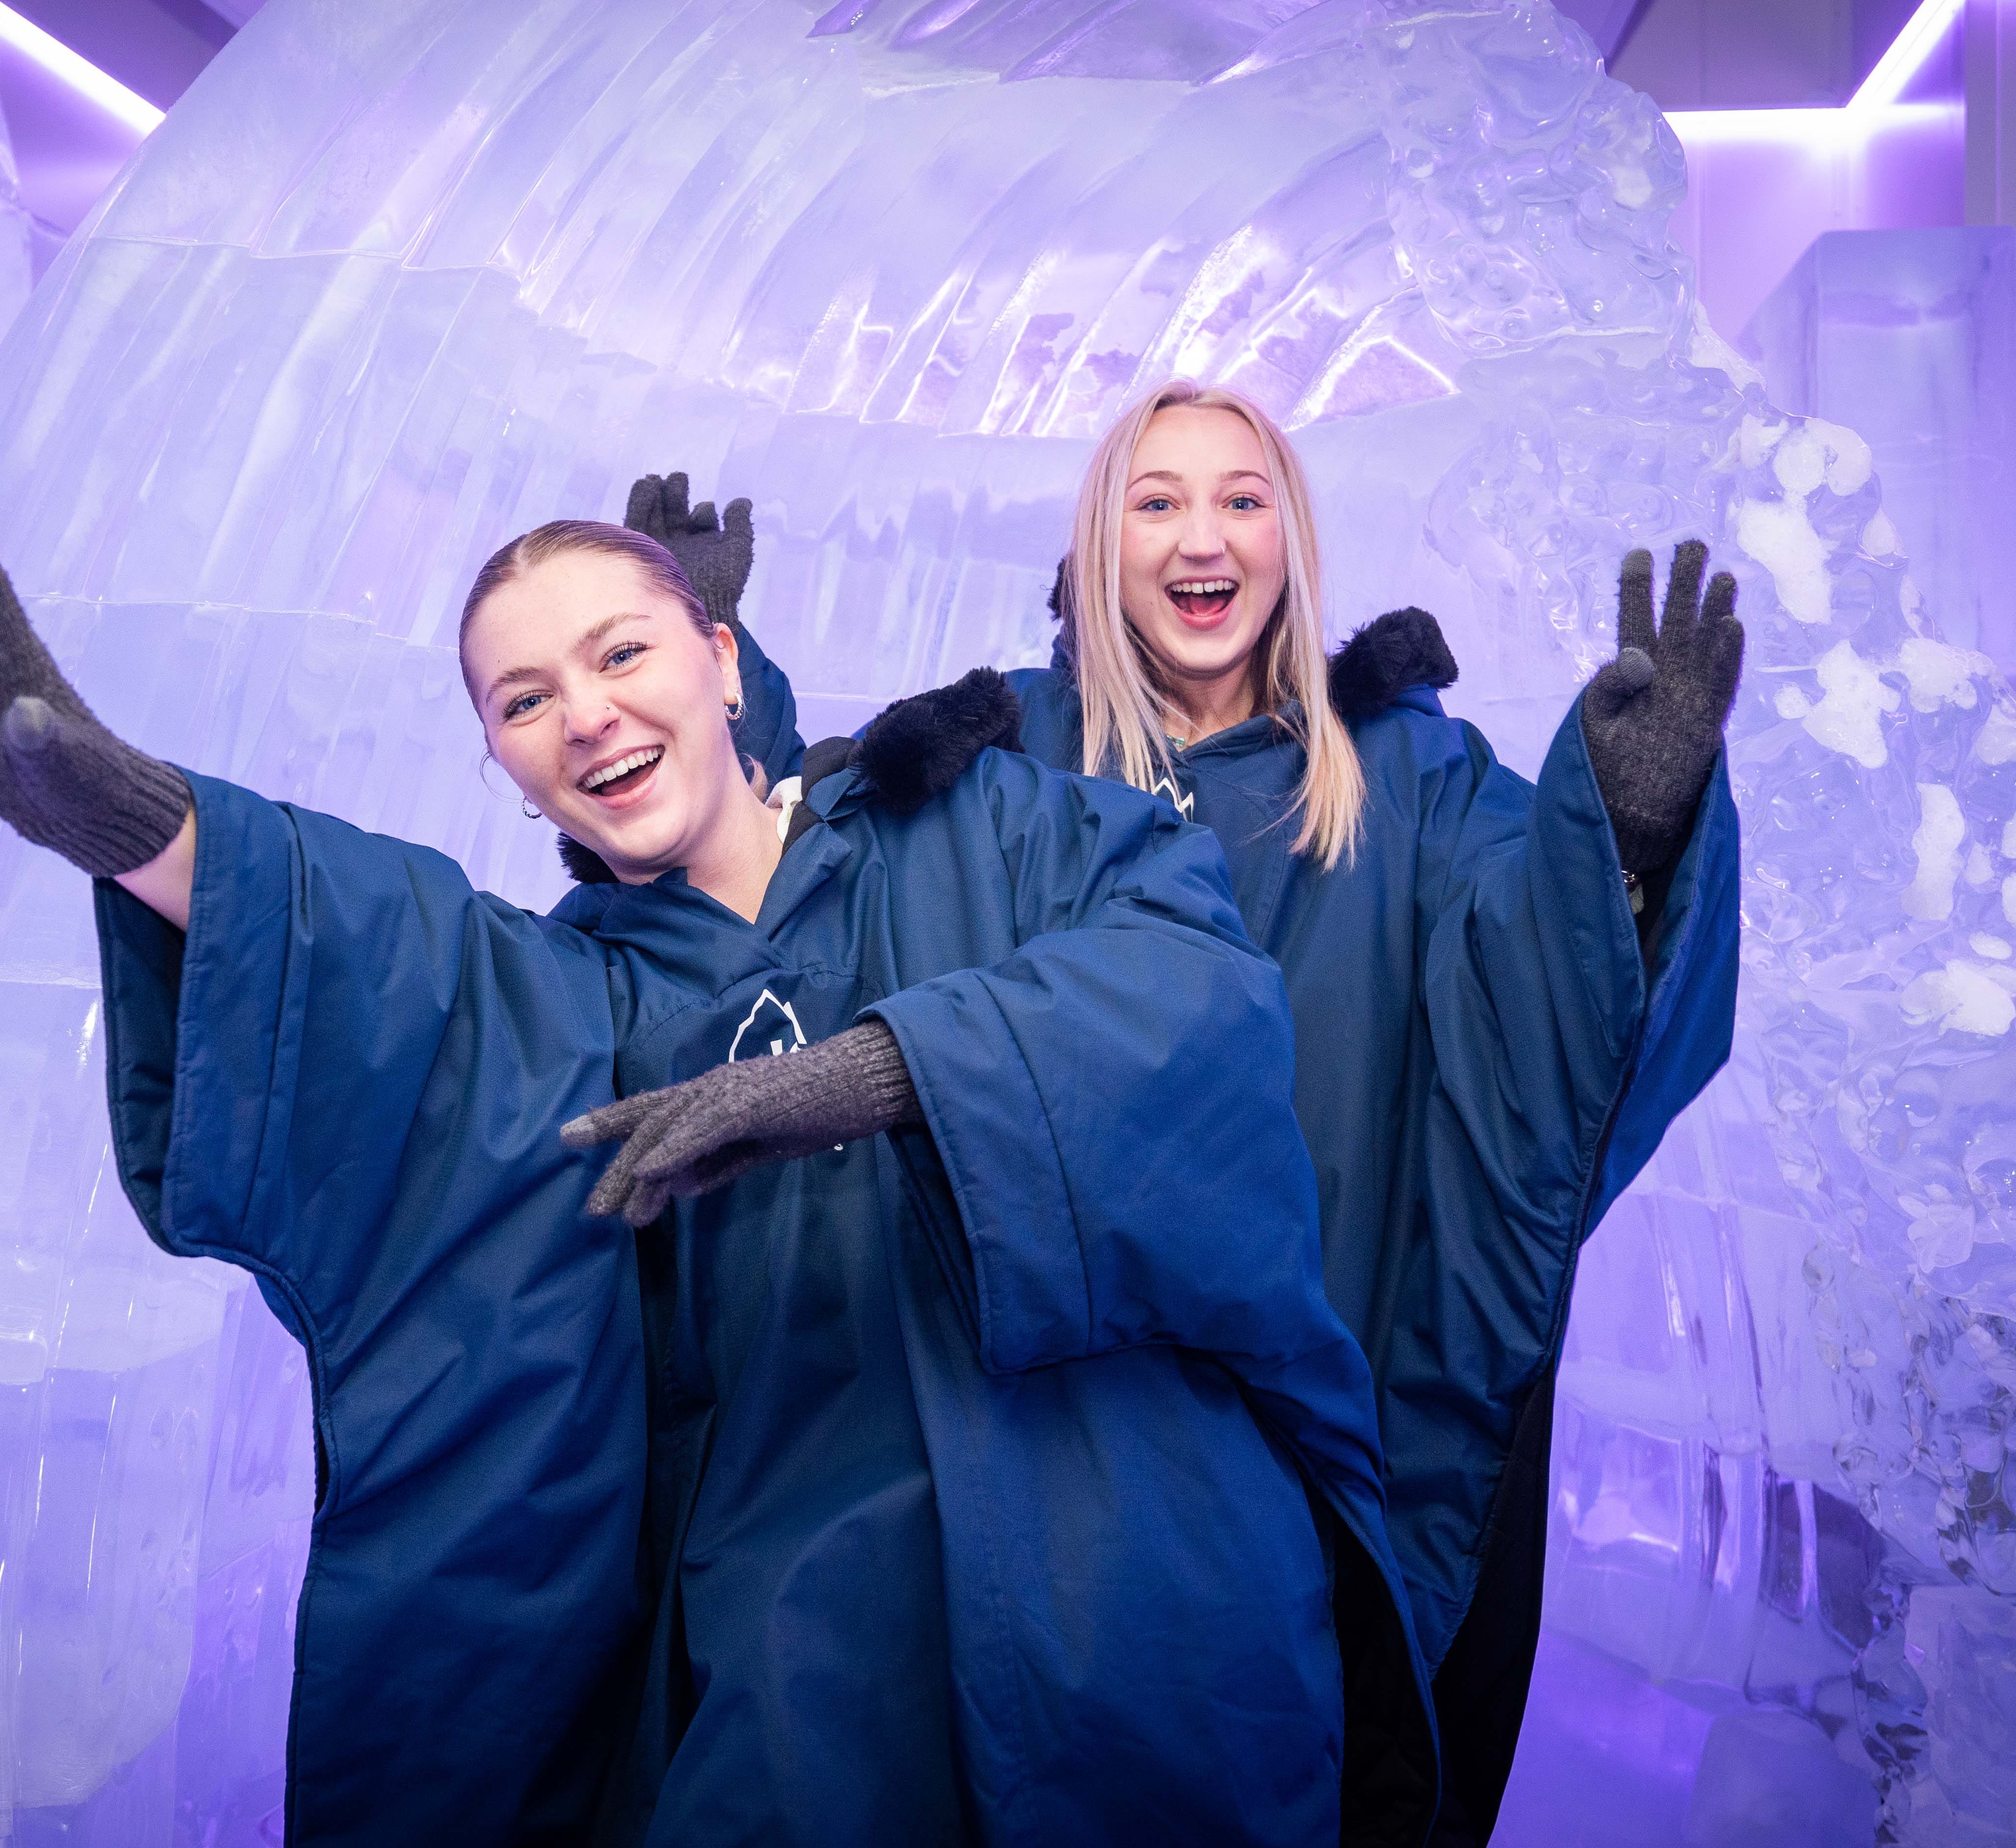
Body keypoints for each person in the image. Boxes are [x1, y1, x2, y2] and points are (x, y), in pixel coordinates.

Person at [0, 493, 1438, 1847]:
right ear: (502, 762)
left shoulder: (985, 829)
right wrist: (124, 819)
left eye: (621, 652)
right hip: (803, 1643)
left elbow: (1192, 979)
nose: (583, 711)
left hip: (1137, 1560)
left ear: (723, 661)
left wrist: (881, 1072)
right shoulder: (566, 1002)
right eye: (523, 699)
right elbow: (378, 961)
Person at [680, 378, 1742, 1846]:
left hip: (1322, 1341)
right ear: (1096, 547)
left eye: (1243, 499)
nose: (1203, 535)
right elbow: (805, 870)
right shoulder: (998, 758)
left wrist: (1628, 828)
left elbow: (1542, 1009)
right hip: (1054, 1394)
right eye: (1156, 498)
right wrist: (708, 673)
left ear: (1291, 544)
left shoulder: (1404, 777)